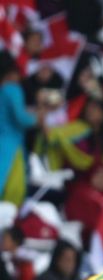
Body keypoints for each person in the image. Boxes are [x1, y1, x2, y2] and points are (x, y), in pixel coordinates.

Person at [0, 51, 40, 206]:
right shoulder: (13, 89)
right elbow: (21, 119)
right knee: (14, 189)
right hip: (11, 146)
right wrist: (38, 117)